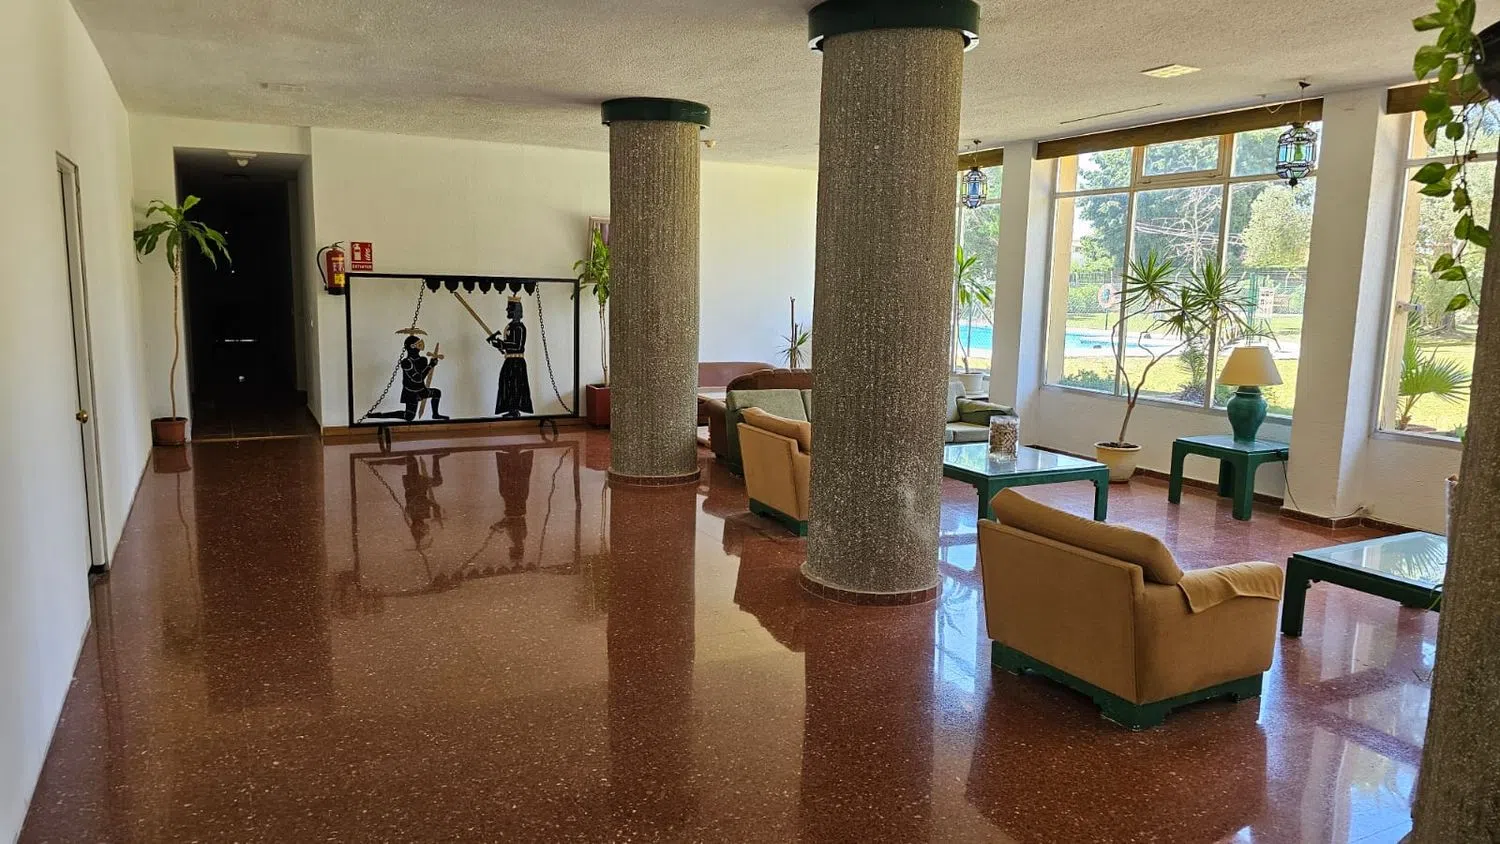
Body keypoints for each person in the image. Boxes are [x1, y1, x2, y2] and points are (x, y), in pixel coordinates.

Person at [370, 334, 448, 422]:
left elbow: (422, 375)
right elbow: (418, 379)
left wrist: (430, 365)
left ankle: (435, 414)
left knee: (437, 393)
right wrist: (430, 366)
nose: (420, 347)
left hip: (421, 390)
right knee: (409, 416)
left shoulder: (423, 360)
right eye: (418, 345)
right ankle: (381, 415)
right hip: (411, 393)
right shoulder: (406, 363)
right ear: (412, 346)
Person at [488, 297, 534, 418]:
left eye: (510, 309)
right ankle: (509, 408)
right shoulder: (510, 326)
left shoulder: (520, 327)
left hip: (517, 361)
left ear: (516, 311)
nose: (508, 311)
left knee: (515, 384)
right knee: (505, 383)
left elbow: (517, 345)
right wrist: (498, 344)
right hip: (509, 360)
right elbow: (508, 345)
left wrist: (502, 344)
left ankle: (515, 410)